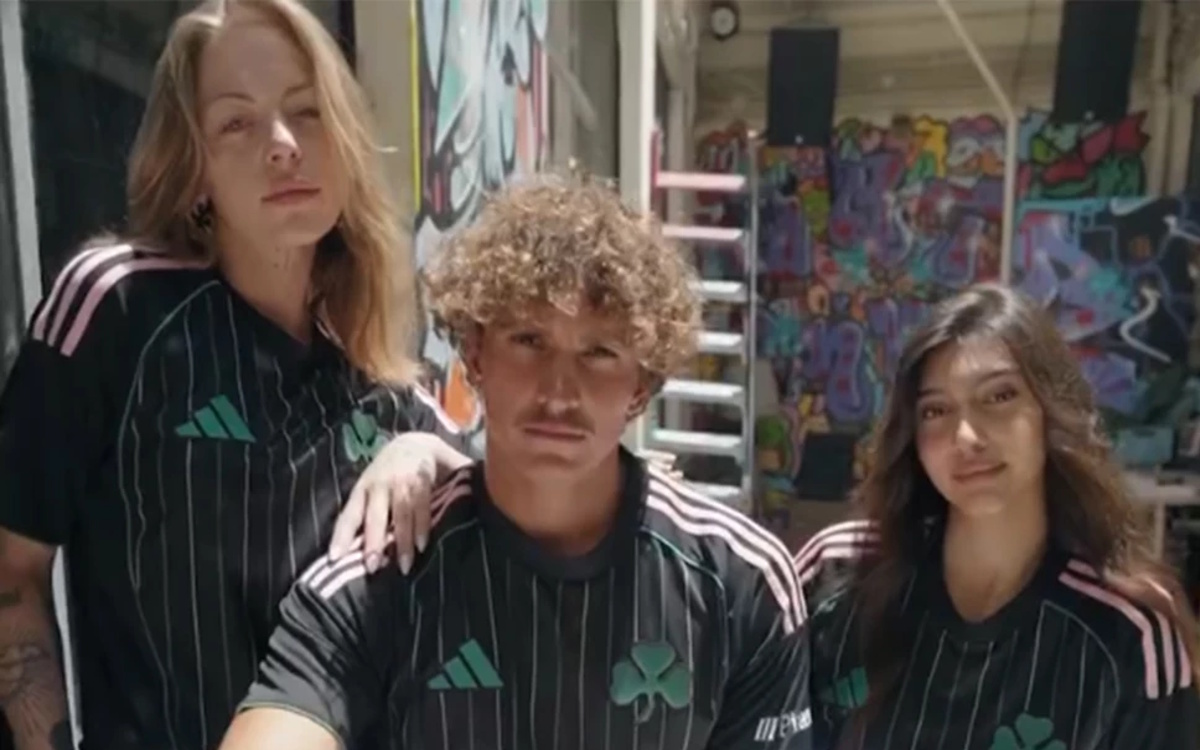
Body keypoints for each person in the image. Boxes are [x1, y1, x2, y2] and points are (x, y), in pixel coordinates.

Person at [0, 1, 473, 748]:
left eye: (307, 111)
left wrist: (425, 453)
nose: (282, 145)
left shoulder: (384, 392)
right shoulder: (119, 308)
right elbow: (12, 572)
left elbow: (512, 513)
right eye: (237, 123)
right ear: (194, 170)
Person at [218, 177, 813, 749]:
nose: (558, 392)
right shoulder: (377, 579)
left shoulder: (741, 584)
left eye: (599, 353)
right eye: (529, 340)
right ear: (475, 355)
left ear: (641, 385)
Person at [794, 283, 1199, 749]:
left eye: (999, 396)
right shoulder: (834, 576)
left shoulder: (1128, 633)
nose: (966, 436)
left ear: (1052, 411)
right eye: (936, 410)